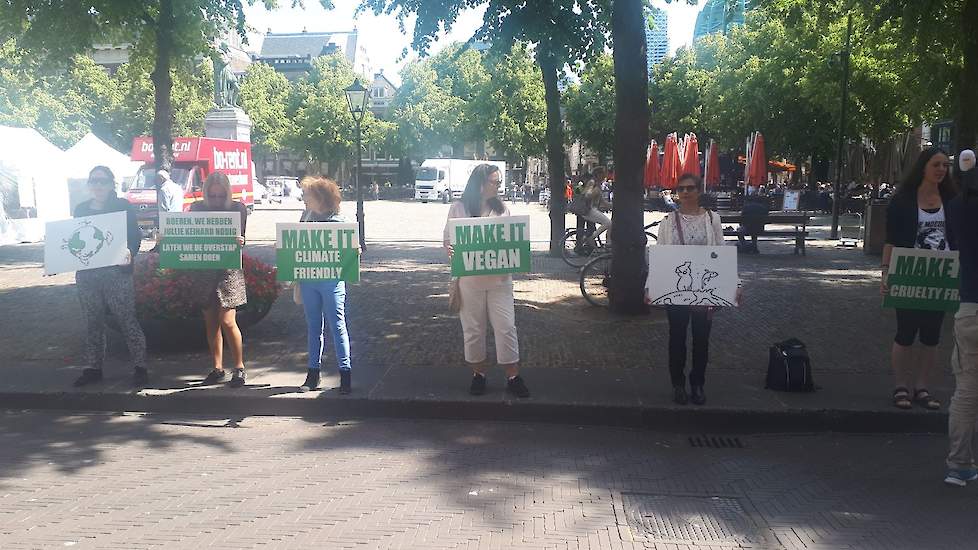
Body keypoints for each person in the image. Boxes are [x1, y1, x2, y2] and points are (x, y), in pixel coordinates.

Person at [652, 173, 741, 406]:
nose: (685, 192)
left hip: (705, 288)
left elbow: (721, 251)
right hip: (677, 287)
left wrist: (735, 284)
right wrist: (650, 286)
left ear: (699, 191)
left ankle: (698, 383)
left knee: (701, 339)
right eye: (681, 189)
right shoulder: (668, 221)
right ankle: (678, 384)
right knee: (677, 337)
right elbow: (660, 254)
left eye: (690, 188)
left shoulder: (712, 219)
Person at [444, 164, 530, 398]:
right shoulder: (458, 209)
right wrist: (451, 251)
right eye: (495, 182)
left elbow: (512, 241)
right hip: (470, 282)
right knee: (473, 329)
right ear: (480, 184)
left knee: (506, 327)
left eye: (499, 181)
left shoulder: (503, 210)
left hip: (500, 281)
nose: (499, 186)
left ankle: (513, 375)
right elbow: (448, 242)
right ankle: (478, 375)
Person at [881, 147, 958, 410]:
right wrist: (885, 272)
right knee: (905, 332)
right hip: (908, 272)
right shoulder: (903, 200)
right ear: (923, 167)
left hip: (940, 274)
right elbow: (890, 240)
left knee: (931, 335)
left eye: (945, 166)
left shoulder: (952, 200)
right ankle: (901, 386)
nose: (941, 170)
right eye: (936, 164)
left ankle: (922, 387)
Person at [72, 166, 149, 387]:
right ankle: (94, 368)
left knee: (126, 319)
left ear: (111, 184)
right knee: (92, 321)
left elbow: (135, 235)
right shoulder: (81, 209)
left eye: (103, 181)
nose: (98, 185)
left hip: (116, 272)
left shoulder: (122, 206)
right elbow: (74, 238)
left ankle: (140, 366)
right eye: (94, 181)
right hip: (88, 274)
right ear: (89, 184)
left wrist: (130, 252)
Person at [296, 176, 355, 394]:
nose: (304, 199)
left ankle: (345, 372)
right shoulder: (306, 218)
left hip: (331, 280)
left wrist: (354, 251)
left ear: (320, 198)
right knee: (313, 326)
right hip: (309, 280)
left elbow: (352, 251)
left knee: (337, 325)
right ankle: (313, 372)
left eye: (307, 195)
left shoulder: (341, 222)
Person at [192, 172, 250, 388]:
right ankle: (217, 368)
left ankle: (239, 367)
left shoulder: (238, 208)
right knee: (210, 322)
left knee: (227, 320)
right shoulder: (196, 209)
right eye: (212, 196)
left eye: (220, 196)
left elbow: (241, 238)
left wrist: (241, 240)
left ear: (227, 193)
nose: (216, 200)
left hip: (228, 269)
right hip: (204, 269)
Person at [945, 149, 978, 486]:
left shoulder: (956, 207)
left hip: (970, 305)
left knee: (967, 391)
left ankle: (959, 465)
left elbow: (953, 244)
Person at [581, 167, 613, 248]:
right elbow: (587, 195)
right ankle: (591, 238)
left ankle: (608, 243)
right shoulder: (592, 182)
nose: (604, 176)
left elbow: (602, 201)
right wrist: (595, 192)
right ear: (598, 174)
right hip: (588, 210)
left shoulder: (598, 184)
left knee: (610, 224)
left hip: (592, 209)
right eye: (603, 174)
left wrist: (615, 206)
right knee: (608, 223)